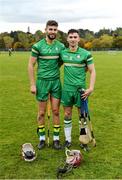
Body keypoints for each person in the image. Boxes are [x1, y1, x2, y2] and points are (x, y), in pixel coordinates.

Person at [28, 20, 65, 150]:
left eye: (55, 30)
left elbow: (61, 62)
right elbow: (30, 65)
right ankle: (42, 139)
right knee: (42, 112)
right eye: (50, 29)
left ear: (57, 31)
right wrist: (33, 84)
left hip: (55, 82)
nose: (53, 32)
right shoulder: (38, 46)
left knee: (55, 111)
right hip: (42, 82)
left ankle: (56, 139)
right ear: (45, 30)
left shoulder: (61, 46)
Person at [60, 29, 96, 148]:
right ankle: (68, 140)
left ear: (78, 39)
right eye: (71, 37)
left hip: (81, 91)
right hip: (67, 90)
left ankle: (83, 139)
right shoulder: (63, 53)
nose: (73, 39)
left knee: (82, 116)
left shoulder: (86, 54)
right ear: (67, 39)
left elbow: (92, 71)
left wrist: (90, 88)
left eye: (75, 37)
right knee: (67, 113)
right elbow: (54, 66)